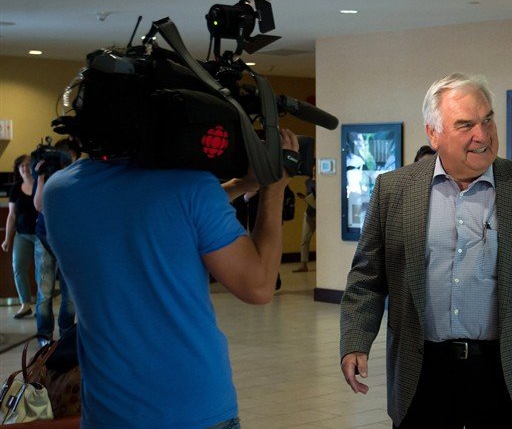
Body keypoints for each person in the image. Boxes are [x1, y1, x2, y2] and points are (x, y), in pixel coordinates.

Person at [339, 72, 512, 429]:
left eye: (487, 119)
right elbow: (367, 278)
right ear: (433, 133)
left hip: (504, 370)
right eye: (465, 125)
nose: (482, 135)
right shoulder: (394, 190)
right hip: (422, 369)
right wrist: (355, 342)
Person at [43, 129, 299, 428]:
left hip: (107, 409)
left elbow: (156, 207)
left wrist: (241, 184)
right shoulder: (191, 187)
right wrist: (274, 189)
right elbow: (258, 286)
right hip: (194, 408)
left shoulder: (59, 191)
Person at [32, 138, 81, 344]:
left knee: (69, 295)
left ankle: (66, 334)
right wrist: (41, 177)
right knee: (45, 292)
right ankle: (44, 336)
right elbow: (39, 206)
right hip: (45, 236)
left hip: (70, 238)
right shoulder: (47, 175)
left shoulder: (80, 175)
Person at [1, 154, 38, 319]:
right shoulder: (15, 188)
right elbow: (12, 215)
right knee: (18, 268)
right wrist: (8, 238)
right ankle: (25, 304)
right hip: (22, 235)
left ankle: (43, 307)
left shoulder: (40, 184)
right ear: (18, 169)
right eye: (22, 165)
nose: (25, 168)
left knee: (43, 271)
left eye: (29, 164)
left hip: (40, 235)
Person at [293, 172, 316, 273]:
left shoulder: (324, 181)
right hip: (309, 212)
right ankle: (303, 264)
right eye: (313, 168)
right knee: (304, 239)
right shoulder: (308, 182)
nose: (314, 170)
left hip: (321, 213)